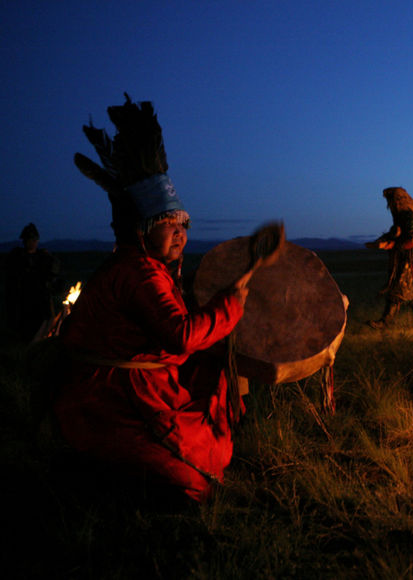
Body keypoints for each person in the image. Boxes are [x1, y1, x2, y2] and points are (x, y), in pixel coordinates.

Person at [53, 95, 252, 503]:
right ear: (143, 230)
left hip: (131, 379)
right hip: (113, 394)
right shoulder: (138, 271)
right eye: (167, 224)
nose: (179, 233)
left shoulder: (147, 265)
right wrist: (230, 304)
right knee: (192, 468)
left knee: (210, 369)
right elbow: (179, 335)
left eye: (183, 224)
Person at [366, 187, 413, 329]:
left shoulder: (409, 217)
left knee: (398, 286)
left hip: (408, 259)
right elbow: (395, 234)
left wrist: (396, 245)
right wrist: (381, 242)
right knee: (408, 289)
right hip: (402, 257)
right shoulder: (401, 217)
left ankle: (386, 321)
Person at [4, 223, 61, 343]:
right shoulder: (17, 256)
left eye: (33, 239)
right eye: (28, 239)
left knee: (42, 322)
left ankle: (40, 342)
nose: (30, 242)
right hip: (23, 296)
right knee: (25, 323)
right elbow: (10, 275)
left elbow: (53, 271)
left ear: (36, 240)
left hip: (40, 296)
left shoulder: (43, 256)